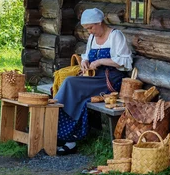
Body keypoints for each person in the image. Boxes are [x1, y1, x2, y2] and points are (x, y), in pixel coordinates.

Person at [55, 8, 133, 155]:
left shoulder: (115, 36)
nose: (89, 31)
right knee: (71, 85)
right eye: (87, 29)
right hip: (94, 77)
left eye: (91, 28)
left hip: (110, 80)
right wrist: (85, 61)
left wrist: (101, 61)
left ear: (99, 22)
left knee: (71, 83)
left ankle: (68, 137)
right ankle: (62, 132)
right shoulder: (92, 38)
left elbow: (126, 61)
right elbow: (86, 54)